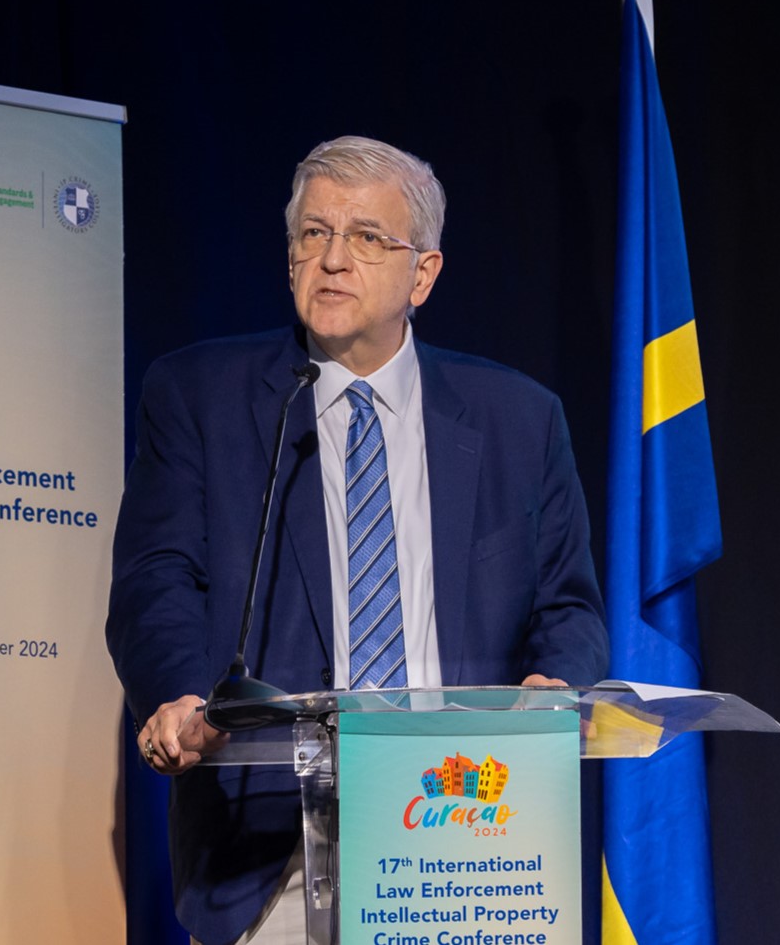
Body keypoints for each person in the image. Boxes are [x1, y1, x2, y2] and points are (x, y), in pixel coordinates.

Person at [106, 136, 609, 945]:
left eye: (367, 237)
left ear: (423, 274)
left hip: (468, 841)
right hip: (271, 851)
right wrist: (176, 695)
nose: (333, 258)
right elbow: (155, 578)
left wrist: (556, 682)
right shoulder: (200, 396)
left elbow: (568, 605)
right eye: (313, 233)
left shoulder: (517, 417)